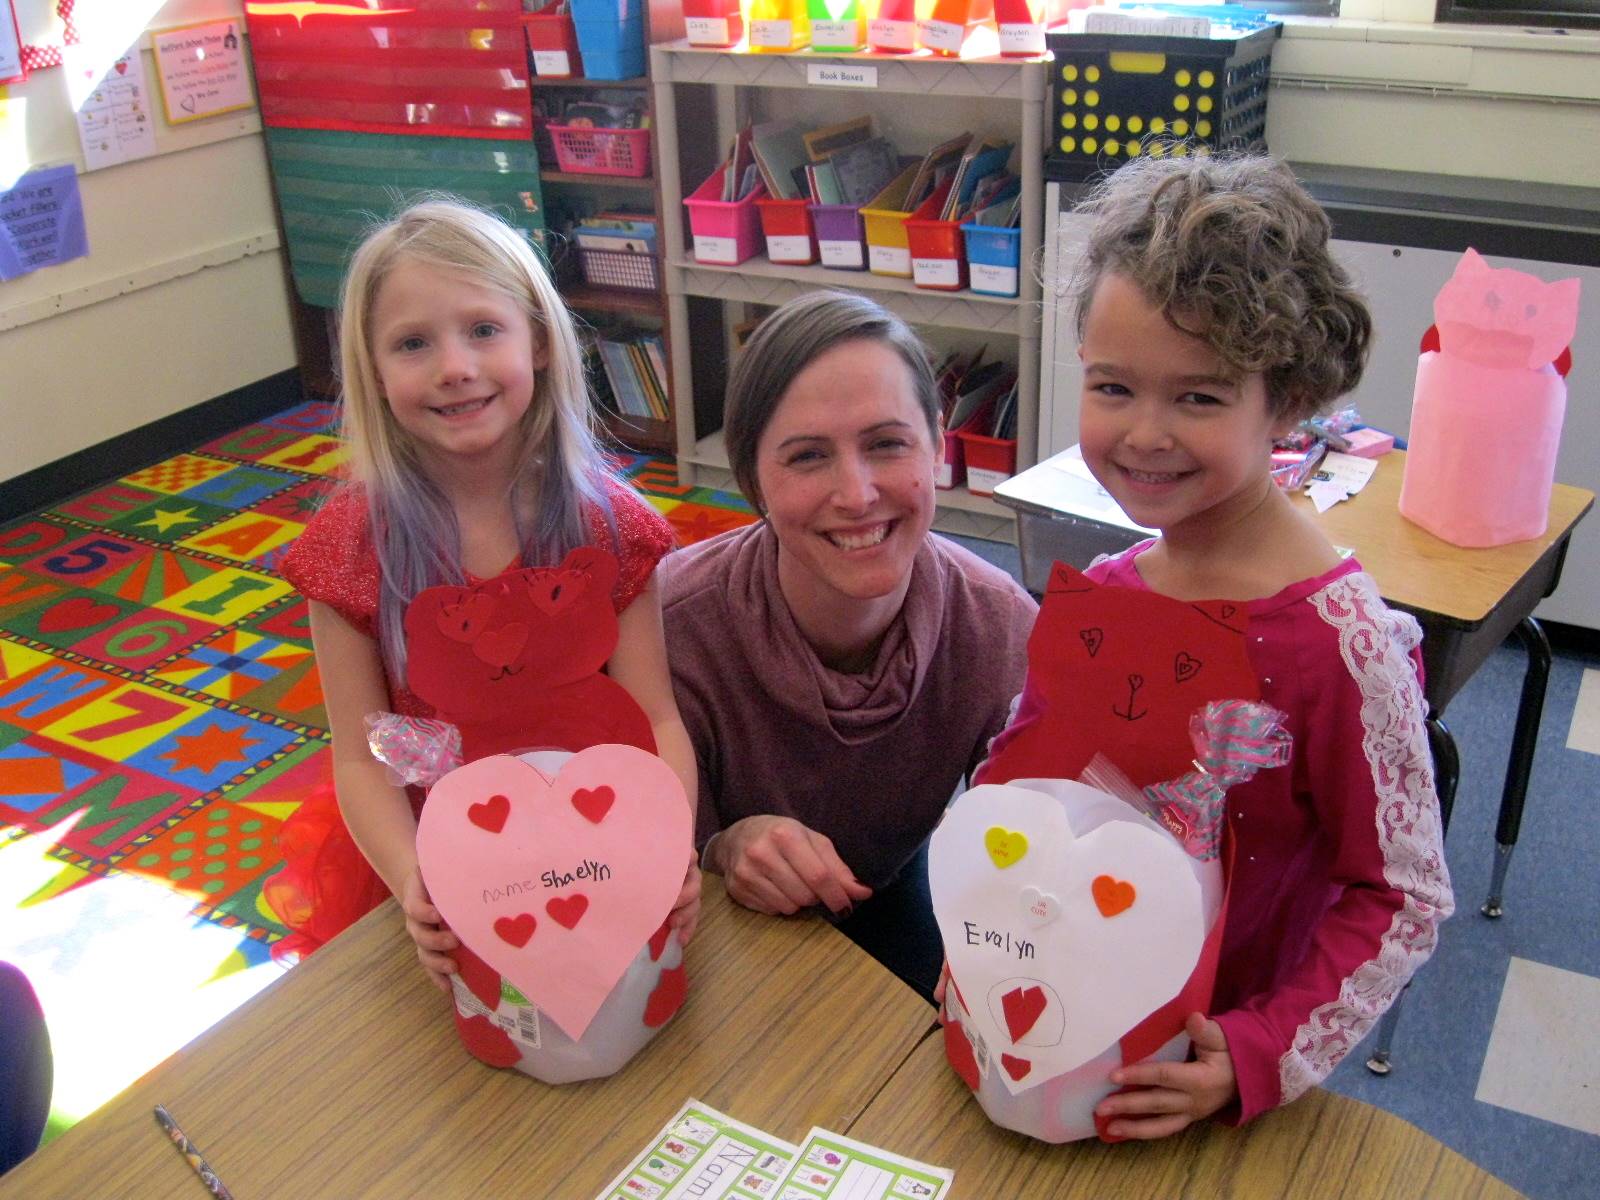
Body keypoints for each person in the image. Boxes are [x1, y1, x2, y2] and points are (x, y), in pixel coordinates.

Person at [980, 153, 1454, 1136]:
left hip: (1208, 1063)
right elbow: (1025, 789)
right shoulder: (1108, 593)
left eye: (1197, 398)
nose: (1143, 433)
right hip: (1065, 1025)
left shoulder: (1340, 642)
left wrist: (1257, 1054)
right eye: (1113, 387)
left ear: (1282, 404)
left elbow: (1398, 895)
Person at [269, 197, 699, 988]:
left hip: (596, 848)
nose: (454, 367)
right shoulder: (349, 548)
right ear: (372, 370)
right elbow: (362, 760)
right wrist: (413, 880)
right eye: (411, 343)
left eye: (483, 330)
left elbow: (656, 716)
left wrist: (665, 842)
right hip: (442, 857)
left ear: (537, 340)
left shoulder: (611, 527)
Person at [660, 291, 1038, 1002]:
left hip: (892, 891)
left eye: (887, 444)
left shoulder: (999, 627)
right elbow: (646, 869)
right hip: (713, 925)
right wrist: (723, 846)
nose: (857, 494)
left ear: (937, 447)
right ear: (753, 482)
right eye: (807, 457)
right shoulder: (672, 627)